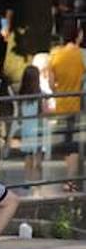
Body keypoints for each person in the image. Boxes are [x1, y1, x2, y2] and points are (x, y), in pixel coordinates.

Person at [46, 22, 83, 191]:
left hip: (61, 105)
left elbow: (51, 83)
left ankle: (69, 179)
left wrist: (58, 91)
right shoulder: (81, 55)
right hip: (77, 105)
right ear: (78, 36)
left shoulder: (55, 55)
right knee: (74, 144)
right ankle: (71, 180)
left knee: (66, 144)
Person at [13, 66, 48, 182]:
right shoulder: (41, 95)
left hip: (26, 131)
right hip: (38, 131)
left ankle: (27, 180)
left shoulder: (20, 96)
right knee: (38, 159)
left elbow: (19, 116)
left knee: (27, 158)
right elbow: (45, 113)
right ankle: (37, 183)